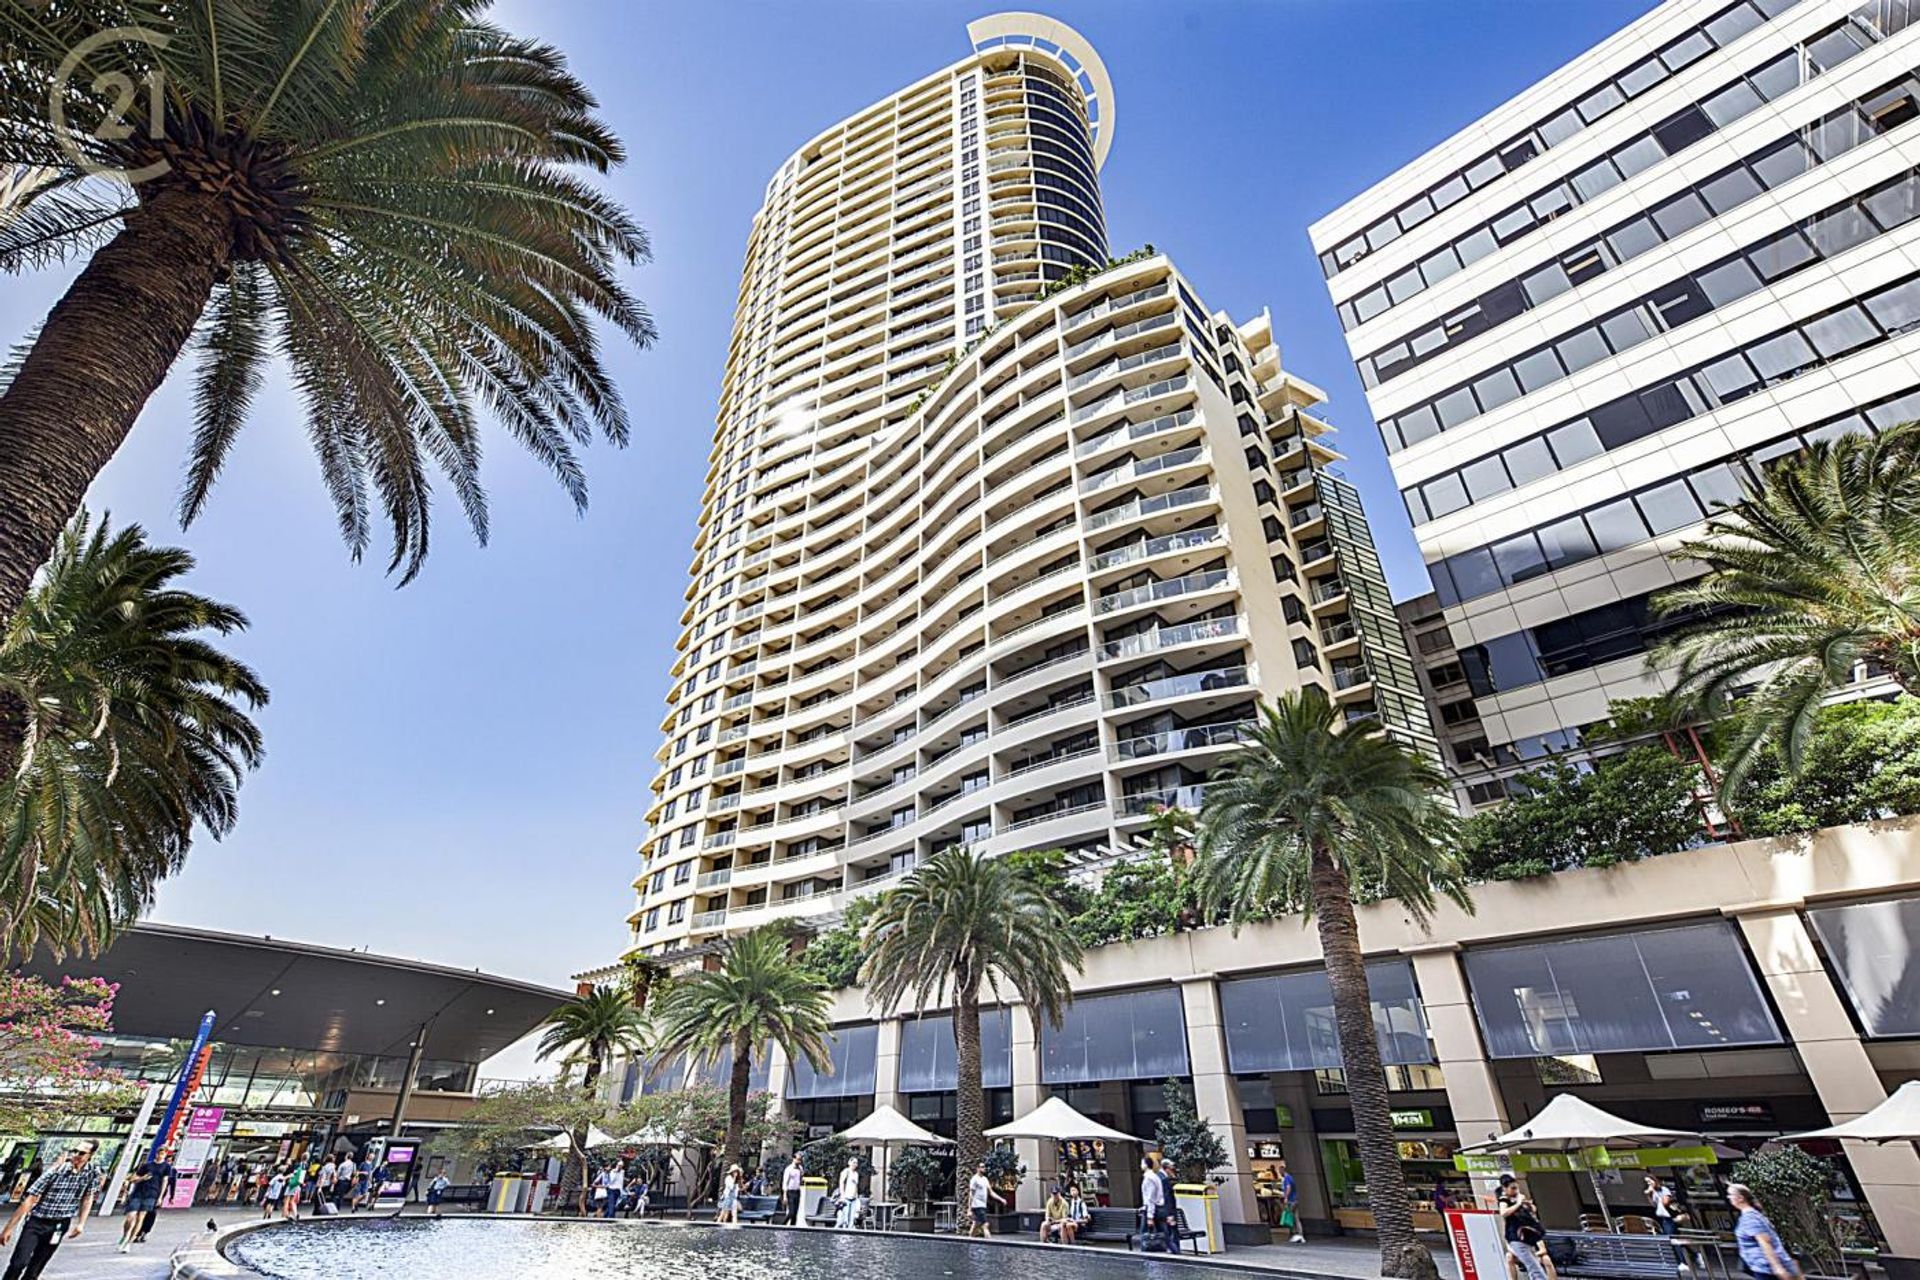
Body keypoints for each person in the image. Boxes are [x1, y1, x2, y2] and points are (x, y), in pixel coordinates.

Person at [0, 1141, 100, 1280]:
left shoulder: (92, 1173)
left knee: (35, 1269)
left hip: (59, 1225)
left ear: (91, 1155)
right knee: (18, 1263)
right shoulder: (56, 1171)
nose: (76, 1155)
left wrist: (81, 1223)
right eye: (74, 1151)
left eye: (81, 1153)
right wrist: (8, 1228)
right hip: (37, 1222)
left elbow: (88, 1197)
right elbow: (30, 1199)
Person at [1729, 1183, 1802, 1280]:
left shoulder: (1750, 1217)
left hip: (1765, 1267)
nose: (1729, 1197)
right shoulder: (1752, 1215)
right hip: (1762, 1266)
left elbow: (1764, 1241)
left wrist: (1777, 1267)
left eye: (1731, 1195)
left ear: (1740, 1198)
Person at [1498, 1174, 1551, 1280]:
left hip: (1528, 1237)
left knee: (1533, 1264)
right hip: (1517, 1237)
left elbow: (1533, 1211)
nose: (1516, 1191)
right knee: (1533, 1265)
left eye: (1516, 1188)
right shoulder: (1504, 1200)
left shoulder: (1519, 1197)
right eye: (1512, 1188)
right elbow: (1503, 1213)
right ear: (1505, 1188)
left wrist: (1528, 1205)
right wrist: (1518, 1204)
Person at [117, 1153, 168, 1253]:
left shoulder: (166, 1167)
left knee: (140, 1218)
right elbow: (132, 1179)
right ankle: (125, 1235)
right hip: (138, 1193)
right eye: (159, 1153)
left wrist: (160, 1197)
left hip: (152, 1194)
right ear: (156, 1154)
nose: (160, 1156)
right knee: (130, 1217)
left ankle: (129, 1242)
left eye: (163, 1154)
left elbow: (165, 1182)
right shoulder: (146, 1165)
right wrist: (142, 1178)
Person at [128, 1148, 177, 1246]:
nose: (168, 1161)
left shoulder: (170, 1169)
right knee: (140, 1214)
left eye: (170, 1160)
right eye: (167, 1160)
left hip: (157, 1193)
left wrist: (169, 1196)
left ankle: (144, 1232)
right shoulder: (148, 1165)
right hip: (145, 1191)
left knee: (151, 1213)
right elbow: (135, 1175)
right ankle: (137, 1233)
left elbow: (171, 1183)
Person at [965, 1161, 1003, 1238]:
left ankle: (969, 1239)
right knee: (985, 1224)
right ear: (977, 1168)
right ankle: (989, 1242)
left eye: (984, 1167)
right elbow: (971, 1194)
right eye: (982, 1167)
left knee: (975, 1224)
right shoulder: (974, 1179)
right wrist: (969, 1209)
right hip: (977, 1205)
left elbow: (991, 1192)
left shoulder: (985, 1179)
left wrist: (1001, 1199)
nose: (984, 1168)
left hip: (983, 1205)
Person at [1140, 1156, 1168, 1251]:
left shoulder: (1149, 1178)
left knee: (1145, 1235)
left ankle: (1148, 1253)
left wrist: (1149, 1216)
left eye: (1142, 1163)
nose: (1141, 1165)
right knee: (1161, 1233)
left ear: (1146, 1165)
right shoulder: (1155, 1176)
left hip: (1151, 1209)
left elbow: (1150, 1198)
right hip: (1157, 1208)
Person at [1155, 1155, 1181, 1254]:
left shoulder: (1158, 1177)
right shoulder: (1164, 1179)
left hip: (1161, 1209)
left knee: (1167, 1232)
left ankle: (1171, 1249)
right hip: (1167, 1210)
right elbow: (1167, 1197)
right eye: (1172, 1168)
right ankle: (1174, 1251)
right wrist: (1170, 1214)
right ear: (1167, 1168)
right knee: (1171, 1232)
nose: (1173, 1170)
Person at [1279, 1162, 1305, 1243]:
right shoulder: (1291, 1178)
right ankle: (1300, 1235)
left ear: (1283, 1171)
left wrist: (1286, 1197)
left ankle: (1294, 1234)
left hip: (1291, 1201)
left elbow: (1288, 1187)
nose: (1280, 1174)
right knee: (1296, 1218)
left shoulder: (1287, 1178)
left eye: (1280, 1172)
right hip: (1295, 1200)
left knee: (1290, 1217)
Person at [832, 1158, 859, 1229]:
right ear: (849, 1163)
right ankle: (843, 1230)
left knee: (852, 1218)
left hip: (853, 1198)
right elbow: (841, 1183)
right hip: (846, 1197)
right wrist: (842, 1195)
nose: (855, 1164)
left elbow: (856, 1185)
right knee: (845, 1217)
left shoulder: (856, 1174)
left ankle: (850, 1230)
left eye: (856, 1163)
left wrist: (856, 1196)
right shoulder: (846, 1171)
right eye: (853, 1162)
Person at [781, 1156, 803, 1226]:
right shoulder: (789, 1169)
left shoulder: (800, 1168)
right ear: (794, 1159)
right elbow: (785, 1182)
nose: (799, 1161)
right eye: (798, 1159)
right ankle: (782, 1225)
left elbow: (800, 1179)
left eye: (800, 1160)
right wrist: (785, 1195)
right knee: (791, 1212)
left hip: (797, 1191)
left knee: (795, 1213)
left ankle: (793, 1227)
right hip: (790, 1192)